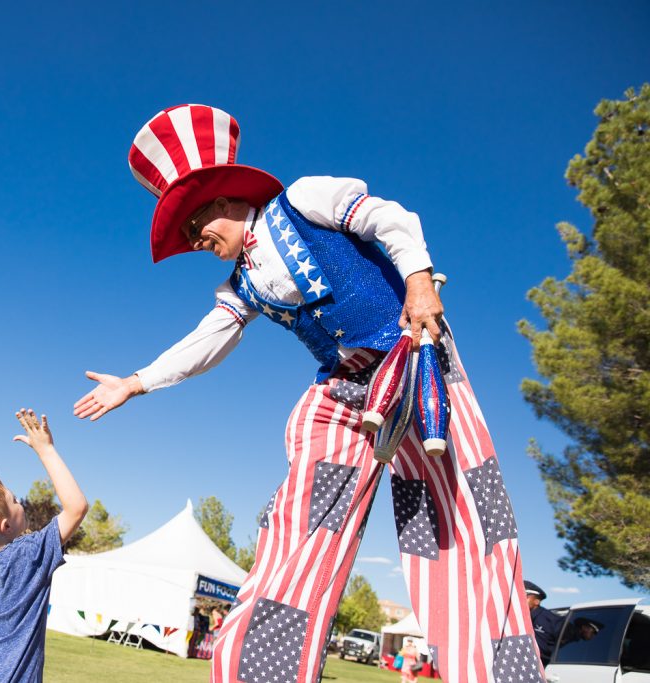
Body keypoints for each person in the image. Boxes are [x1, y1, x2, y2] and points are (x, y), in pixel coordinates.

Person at [74, 104, 541, 683]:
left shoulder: (302, 199)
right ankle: (263, 666)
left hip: (411, 354)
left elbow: (387, 217)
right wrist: (136, 382)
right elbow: (208, 339)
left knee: (457, 512)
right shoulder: (241, 283)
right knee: (305, 497)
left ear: (220, 201)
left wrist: (419, 283)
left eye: (195, 228)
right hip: (346, 388)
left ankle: (493, 668)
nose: (195, 242)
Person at [0, 409, 88, 683]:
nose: (19, 501)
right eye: (14, 501)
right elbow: (76, 508)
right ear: (5, 526)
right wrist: (46, 450)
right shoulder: (28, 556)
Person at [525, 580, 565, 666]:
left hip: (545, 664)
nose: (522, 600)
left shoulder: (551, 619)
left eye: (526, 597)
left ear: (537, 601)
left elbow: (563, 643)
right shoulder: (523, 618)